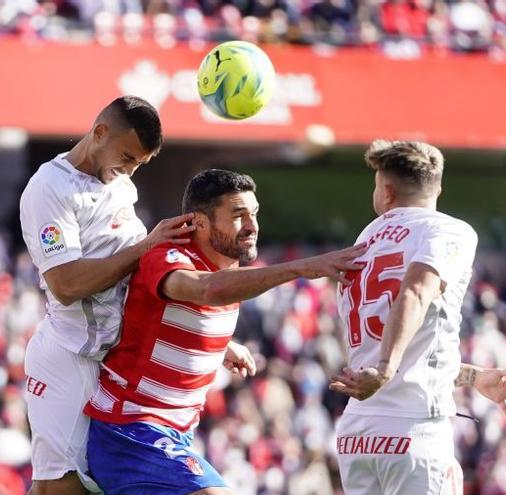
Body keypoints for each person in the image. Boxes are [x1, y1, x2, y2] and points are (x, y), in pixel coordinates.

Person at [84, 169, 367, 495]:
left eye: (254, 214)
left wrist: (222, 346)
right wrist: (301, 267)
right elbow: (203, 290)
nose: (252, 226)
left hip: (174, 433)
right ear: (200, 223)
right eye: (238, 215)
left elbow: (166, 315)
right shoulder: (167, 256)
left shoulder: (225, 266)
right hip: (130, 431)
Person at [328, 140, 506, 495]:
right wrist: (384, 369)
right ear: (438, 189)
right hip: (414, 428)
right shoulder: (448, 230)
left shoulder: (367, 238)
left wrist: (474, 377)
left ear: (386, 191)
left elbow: (407, 344)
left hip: (359, 431)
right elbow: (415, 292)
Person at [19, 96, 195, 495]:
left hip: (115, 360)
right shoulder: (50, 188)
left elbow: (139, 279)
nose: (130, 170)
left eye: (138, 164)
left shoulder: (120, 187)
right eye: (127, 156)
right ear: (100, 132)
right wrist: (146, 246)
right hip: (69, 357)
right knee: (59, 486)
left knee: (99, 483)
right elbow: (66, 285)